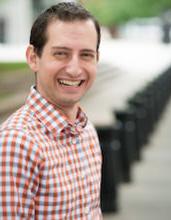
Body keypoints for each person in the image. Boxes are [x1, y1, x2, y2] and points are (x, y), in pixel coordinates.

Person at [0, 2, 102, 219]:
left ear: (96, 59)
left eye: (86, 55)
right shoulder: (16, 143)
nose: (75, 69)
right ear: (33, 57)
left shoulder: (86, 131)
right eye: (61, 54)